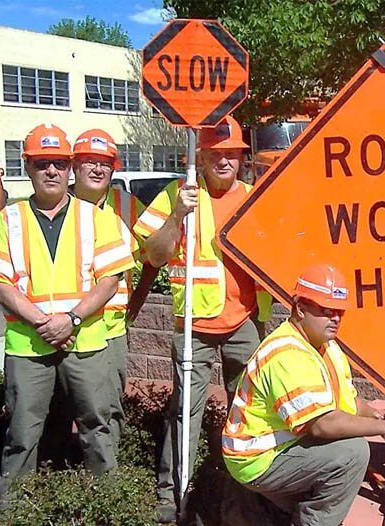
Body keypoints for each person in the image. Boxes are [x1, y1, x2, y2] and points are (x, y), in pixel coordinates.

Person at [0, 123, 134, 505]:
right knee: (24, 433)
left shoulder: (96, 217)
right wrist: (44, 323)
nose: (52, 171)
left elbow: (110, 279)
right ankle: (16, 510)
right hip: (29, 346)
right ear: (28, 167)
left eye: (59, 163)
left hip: (87, 341)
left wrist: (71, 319)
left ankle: (110, 506)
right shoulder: (9, 219)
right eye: (42, 163)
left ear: (69, 167)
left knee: (97, 427)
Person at [133, 116, 262, 522]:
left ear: (242, 159)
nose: (224, 162)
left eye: (232, 155)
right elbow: (153, 256)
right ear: (201, 157)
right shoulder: (178, 193)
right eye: (216, 155)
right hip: (194, 327)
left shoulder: (256, 198)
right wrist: (176, 217)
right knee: (183, 413)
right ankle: (172, 499)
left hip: (246, 323)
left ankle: (247, 495)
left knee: (253, 412)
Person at [222, 264, 385, 526]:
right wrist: (379, 429)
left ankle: (283, 510)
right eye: (326, 310)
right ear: (300, 308)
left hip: (282, 445)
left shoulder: (325, 347)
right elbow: (321, 425)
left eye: (339, 312)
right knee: (352, 453)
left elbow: (347, 402)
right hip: (255, 458)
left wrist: (381, 414)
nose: (335, 318)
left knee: (341, 452)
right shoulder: (287, 354)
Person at [71, 129, 144, 450]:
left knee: (109, 407)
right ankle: (54, 474)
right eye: (89, 162)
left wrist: (137, 303)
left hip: (111, 328)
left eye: (104, 163)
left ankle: (108, 481)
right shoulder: (58, 203)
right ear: (74, 166)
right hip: (63, 327)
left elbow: (155, 256)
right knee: (59, 409)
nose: (98, 169)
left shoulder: (128, 206)